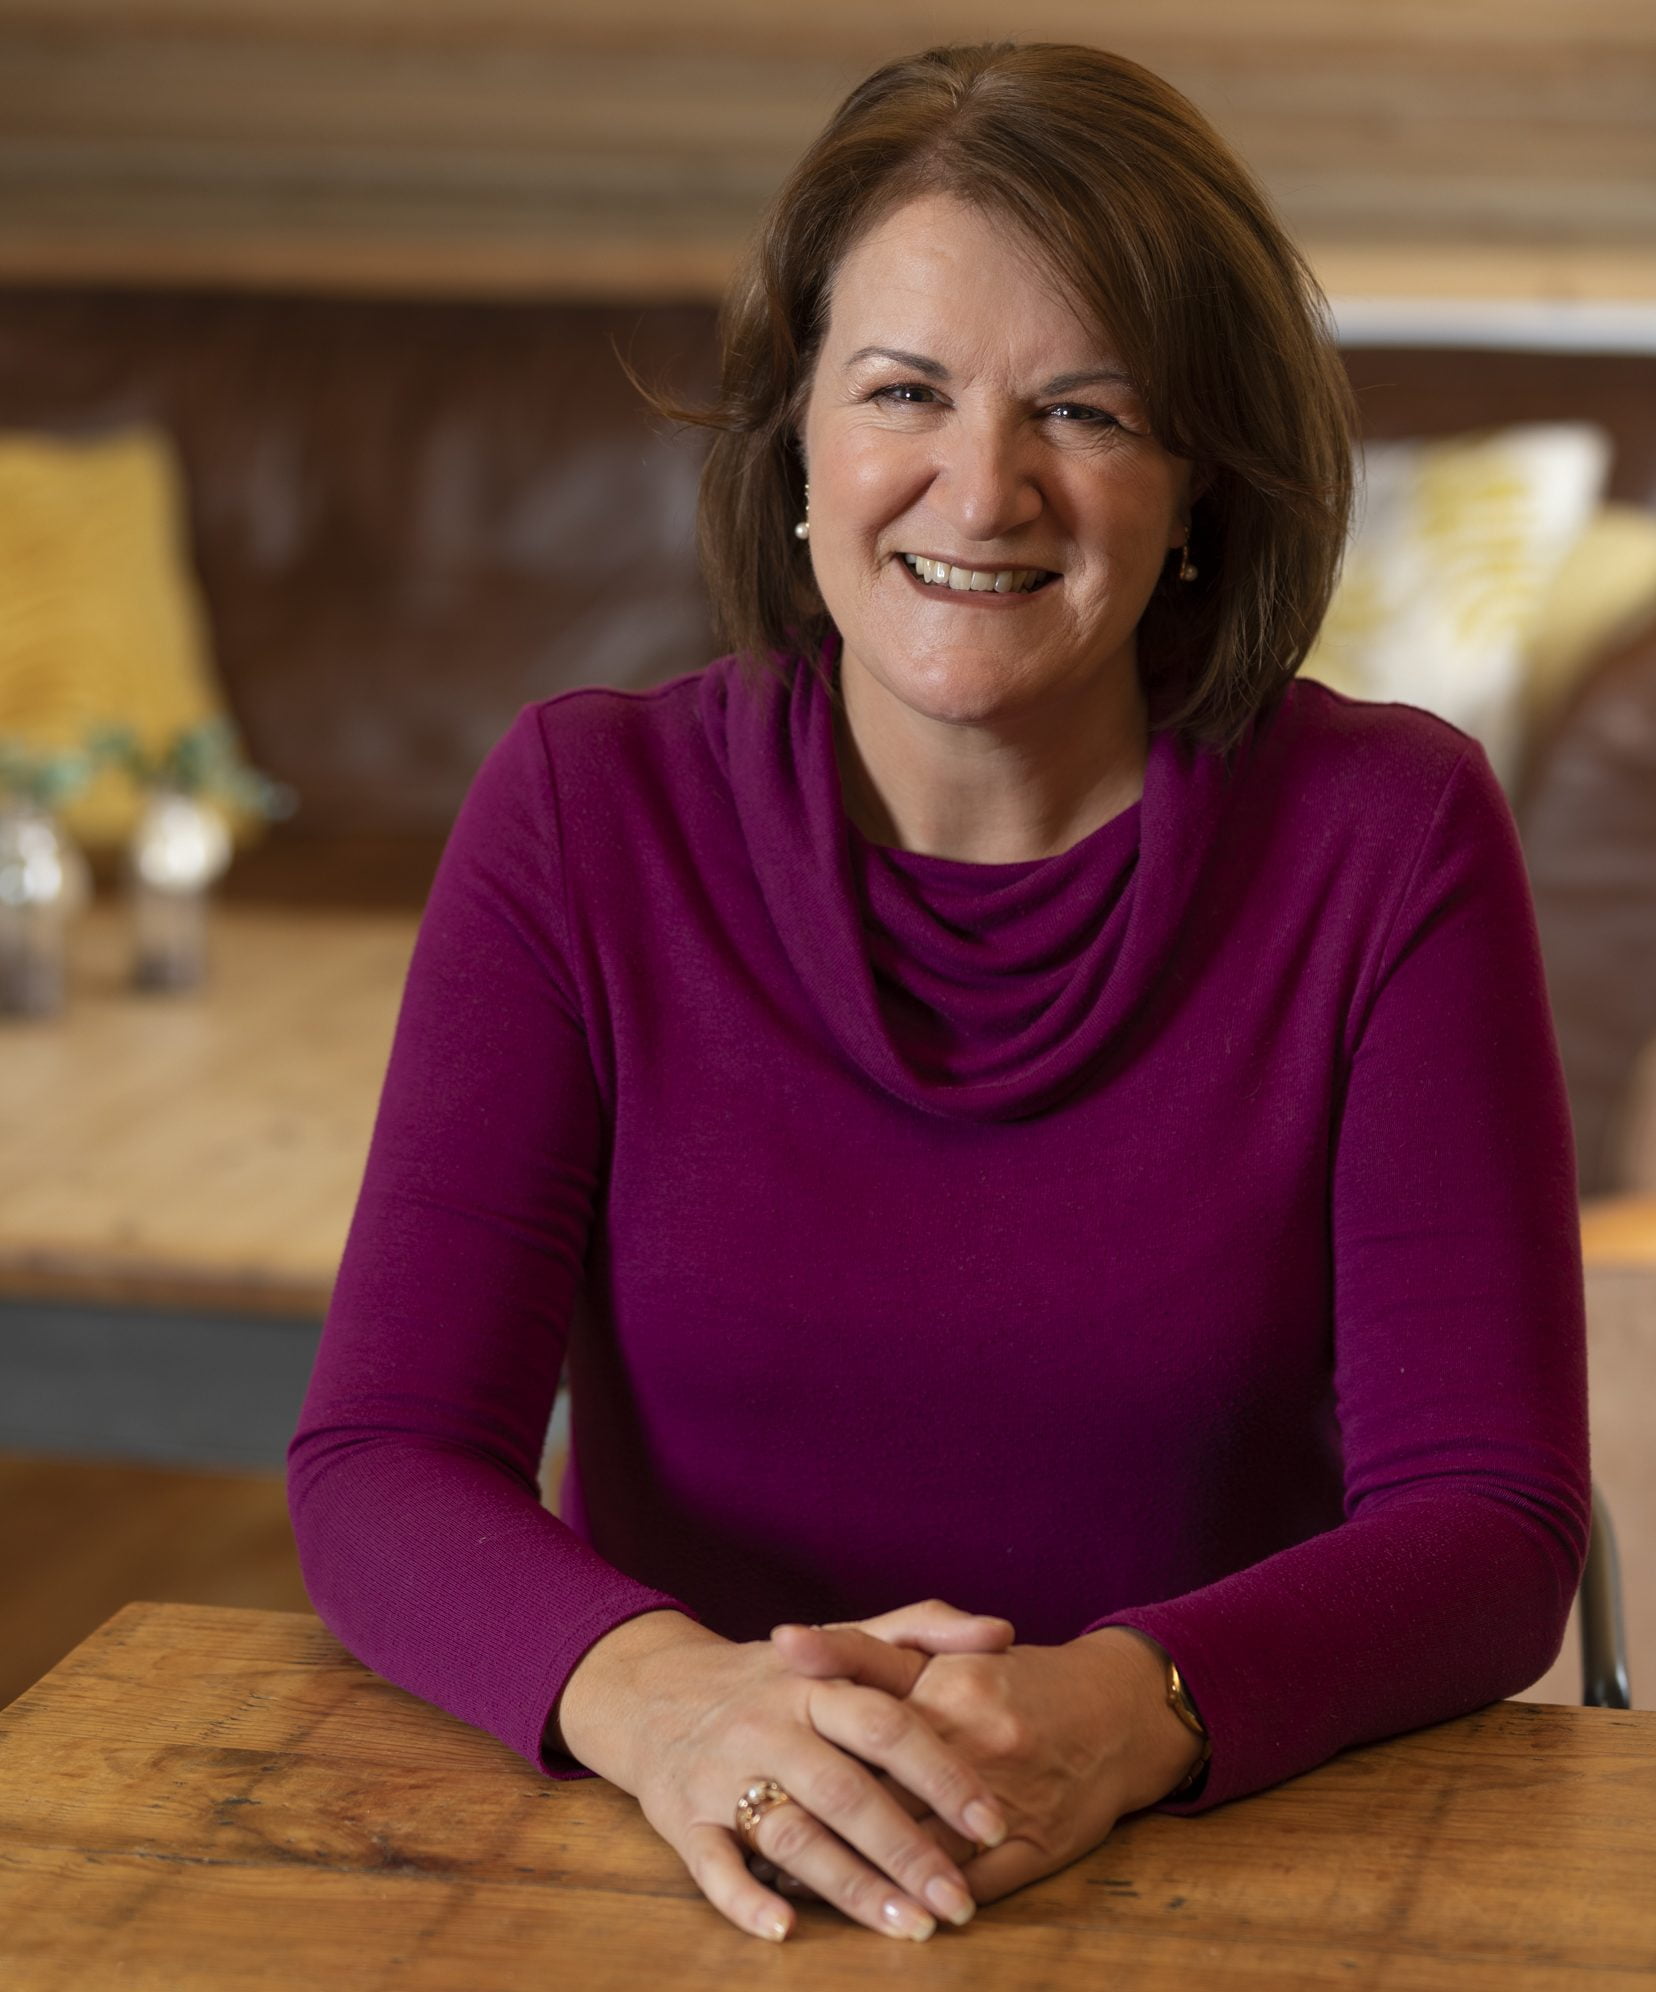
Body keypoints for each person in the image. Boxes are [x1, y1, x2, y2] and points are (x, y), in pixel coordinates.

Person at [286, 40, 1590, 1948]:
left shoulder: (1387, 838)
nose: (984, 488)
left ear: (1197, 487)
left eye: (1086, 409)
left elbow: (1491, 1522)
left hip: (1223, 1876)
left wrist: (1130, 1707)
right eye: (905, 390)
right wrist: (667, 1702)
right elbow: (379, 1458)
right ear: (797, 441)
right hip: (689, 1879)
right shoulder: (583, 810)